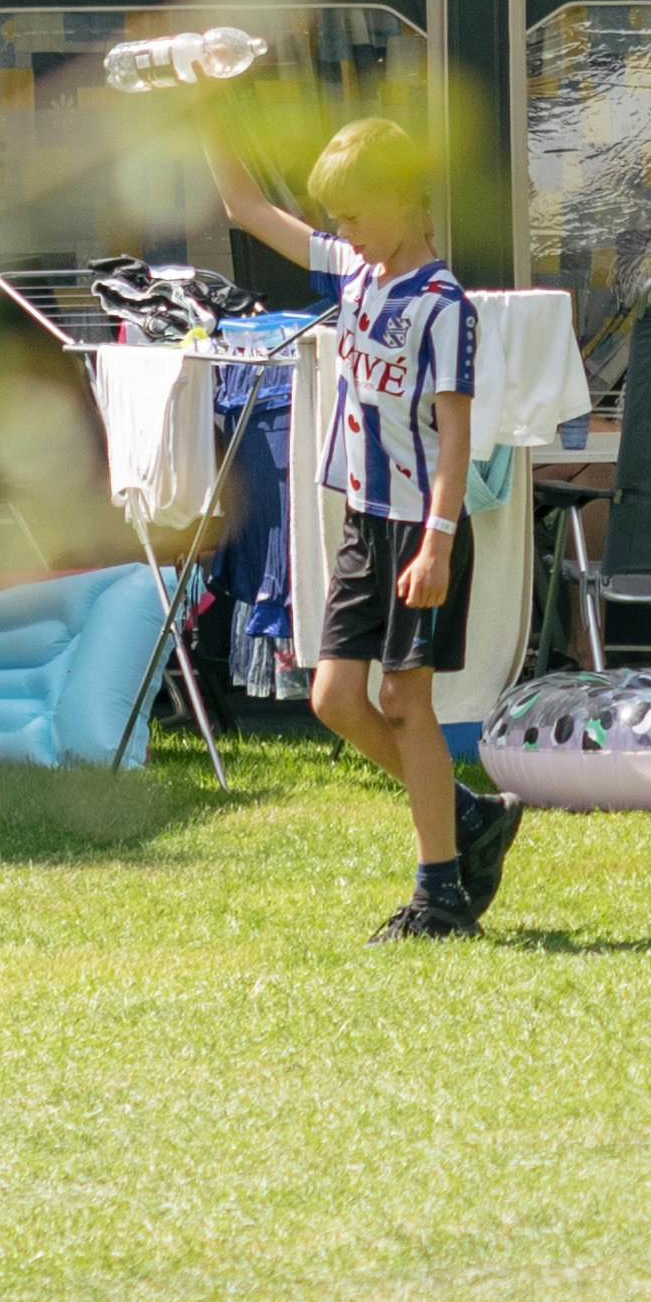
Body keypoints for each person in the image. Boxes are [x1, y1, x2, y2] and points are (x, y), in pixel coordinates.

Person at [216, 112, 519, 939]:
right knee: (334, 697)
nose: (340, 232)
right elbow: (244, 206)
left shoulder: (442, 303)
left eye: (352, 215)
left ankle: (440, 895)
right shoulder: (356, 269)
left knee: (404, 699)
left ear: (400, 202)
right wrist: (205, 107)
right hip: (363, 520)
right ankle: (463, 814)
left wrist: (439, 544)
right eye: (336, 220)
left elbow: (455, 432)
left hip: (419, 527)